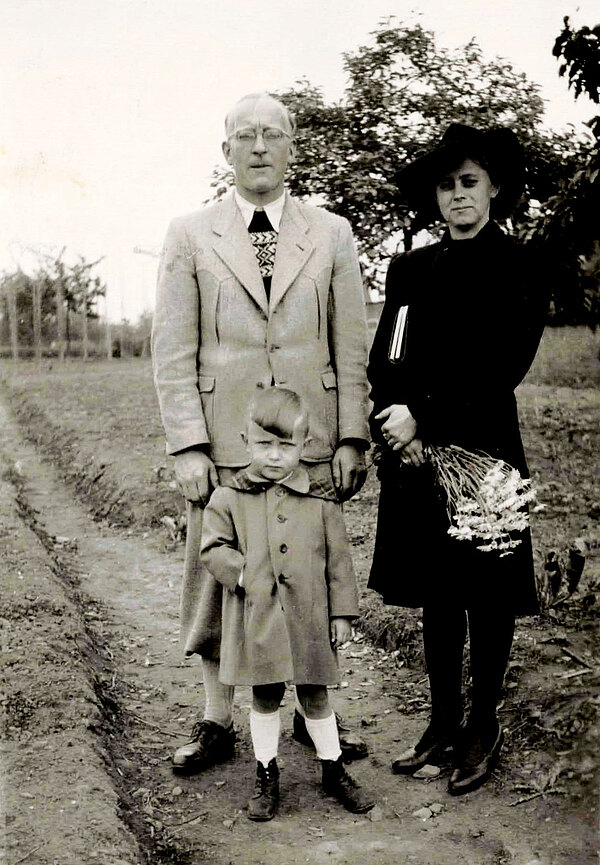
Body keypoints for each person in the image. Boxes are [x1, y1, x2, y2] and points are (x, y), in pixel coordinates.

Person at [151, 92, 370, 775]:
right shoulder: (190, 234)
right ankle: (217, 719)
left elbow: (350, 342)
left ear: (291, 148)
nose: (257, 146)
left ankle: (311, 714)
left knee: (304, 576)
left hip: (306, 437)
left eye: (271, 134)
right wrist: (188, 444)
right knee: (223, 575)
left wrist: (352, 435)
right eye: (243, 136)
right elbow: (171, 348)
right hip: (223, 440)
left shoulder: (331, 233)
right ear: (225, 152)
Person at [367, 123, 548, 796]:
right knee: (438, 592)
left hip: (486, 454)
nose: (458, 196)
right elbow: (387, 359)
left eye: (469, 182)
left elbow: (502, 366)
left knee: (486, 592)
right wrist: (392, 421)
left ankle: (483, 723)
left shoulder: (519, 266)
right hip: (416, 459)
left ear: (494, 186)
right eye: (446, 185)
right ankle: (441, 721)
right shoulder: (411, 270)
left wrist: (426, 415)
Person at [200, 387, 375, 820]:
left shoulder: (321, 502)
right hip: (260, 618)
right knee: (265, 695)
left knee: (315, 695)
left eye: (286, 445)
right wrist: (243, 572)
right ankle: (266, 771)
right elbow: (211, 548)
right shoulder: (229, 497)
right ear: (245, 442)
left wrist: (342, 614)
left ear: (305, 445)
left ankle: (332, 769)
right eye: (264, 444)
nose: (275, 456)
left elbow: (339, 563)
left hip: (309, 618)